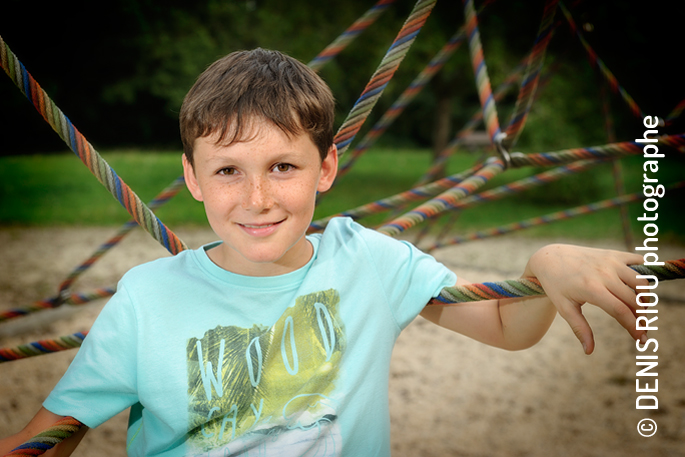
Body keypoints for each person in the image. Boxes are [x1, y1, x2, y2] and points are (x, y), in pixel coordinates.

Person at [0, 48, 648, 457]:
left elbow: (506, 326)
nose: (256, 196)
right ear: (192, 177)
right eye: (227, 171)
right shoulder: (147, 295)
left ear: (326, 167)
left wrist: (542, 265)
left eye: (283, 165)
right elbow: (58, 428)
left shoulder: (366, 260)